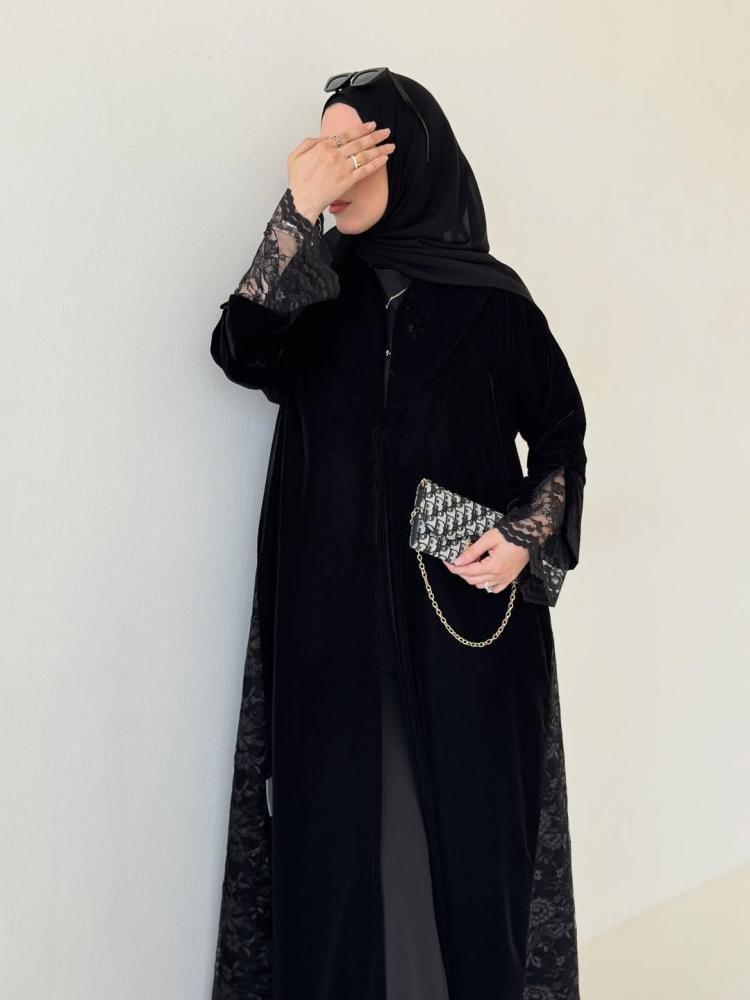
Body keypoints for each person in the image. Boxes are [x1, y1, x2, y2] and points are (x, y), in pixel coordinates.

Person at [209, 68, 587, 1000]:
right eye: (323, 145)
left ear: (409, 156)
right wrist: (295, 215)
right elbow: (239, 352)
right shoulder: (311, 288)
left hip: (461, 623)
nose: (335, 165)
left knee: (466, 839)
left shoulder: (492, 301)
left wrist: (527, 534)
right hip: (329, 623)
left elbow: (561, 436)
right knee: (336, 838)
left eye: (356, 145)